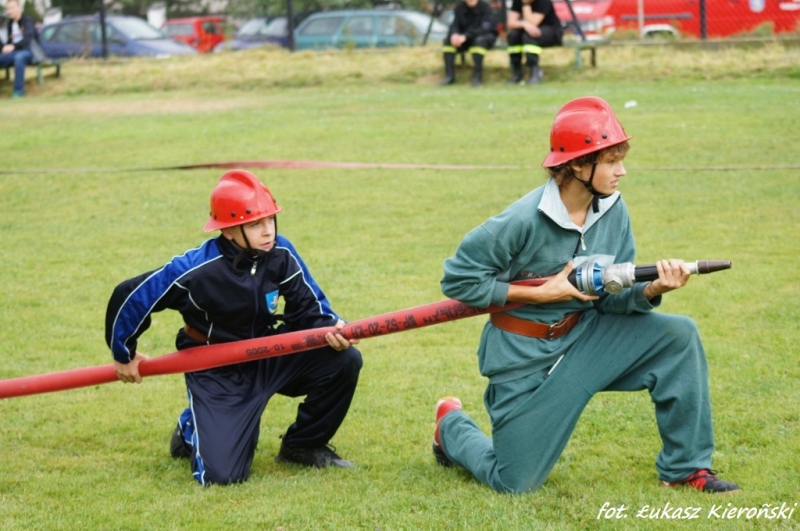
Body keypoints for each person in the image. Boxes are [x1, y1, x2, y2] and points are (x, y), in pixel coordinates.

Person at [432, 96, 740, 494]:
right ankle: (450, 426)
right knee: (515, 481)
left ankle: (685, 468)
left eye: (620, 159)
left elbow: (611, 296)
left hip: (587, 339)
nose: (621, 171)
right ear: (578, 165)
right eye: (611, 161)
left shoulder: (613, 210)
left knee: (678, 336)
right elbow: (458, 282)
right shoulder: (520, 220)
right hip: (523, 353)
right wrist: (540, 295)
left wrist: (652, 288)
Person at [106, 170, 363, 486]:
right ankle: (190, 427)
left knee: (343, 360)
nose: (268, 231)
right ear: (228, 231)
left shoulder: (281, 253)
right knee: (223, 476)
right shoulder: (195, 269)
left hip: (268, 352)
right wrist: (123, 353)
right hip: (217, 368)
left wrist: (331, 328)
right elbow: (130, 295)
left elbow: (311, 307)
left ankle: (303, 446)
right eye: (255, 224)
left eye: (270, 220)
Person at [440, 0, 499, 87]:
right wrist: (454, 34)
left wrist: (466, 36)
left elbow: (485, 28)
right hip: (465, 38)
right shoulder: (460, 7)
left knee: (479, 42)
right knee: (448, 41)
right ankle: (449, 77)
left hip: (484, 37)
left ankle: (477, 77)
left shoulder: (486, 8)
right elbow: (455, 24)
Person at [505, 0, 563, 85]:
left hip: (551, 32)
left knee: (530, 36)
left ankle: (535, 73)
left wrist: (526, 4)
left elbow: (532, 23)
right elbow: (510, 23)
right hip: (529, 30)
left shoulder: (544, 1)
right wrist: (524, 24)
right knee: (514, 35)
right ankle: (517, 73)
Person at [0, 0, 35, 98]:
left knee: (19, 58)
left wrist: (14, 46)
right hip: (14, 53)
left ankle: (18, 92)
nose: (9, 11)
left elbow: (28, 39)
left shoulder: (27, 21)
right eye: (7, 9)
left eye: (12, 8)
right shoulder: (10, 24)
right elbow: (9, 42)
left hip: (28, 51)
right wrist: (4, 47)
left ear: (19, 8)